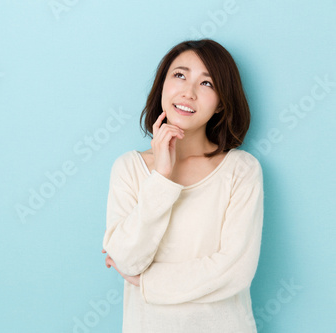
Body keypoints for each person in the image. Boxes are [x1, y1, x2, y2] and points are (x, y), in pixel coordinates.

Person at [101, 39, 264, 332]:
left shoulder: (241, 170)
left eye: (207, 83)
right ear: (162, 85)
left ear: (220, 104)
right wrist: (161, 177)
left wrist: (149, 282)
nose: (188, 92)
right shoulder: (128, 168)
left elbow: (235, 271)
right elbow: (126, 260)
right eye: (180, 75)